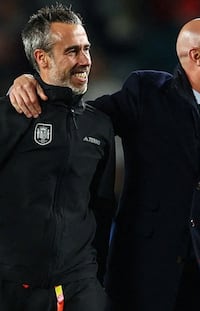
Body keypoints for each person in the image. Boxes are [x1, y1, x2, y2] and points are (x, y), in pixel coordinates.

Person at [8, 17, 200, 311]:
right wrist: (34, 84)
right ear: (196, 56)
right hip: (142, 282)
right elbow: (80, 118)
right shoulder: (146, 93)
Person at [0, 4, 115, 311]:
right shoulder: (10, 115)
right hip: (14, 289)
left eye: (87, 49)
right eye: (73, 51)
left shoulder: (100, 125)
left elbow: (101, 207)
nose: (85, 61)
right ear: (42, 58)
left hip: (81, 286)